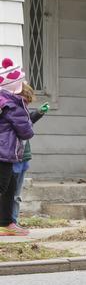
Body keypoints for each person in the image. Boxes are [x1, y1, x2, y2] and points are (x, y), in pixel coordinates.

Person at [0, 59, 35, 236]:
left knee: (10, 188)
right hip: (4, 153)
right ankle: (6, 223)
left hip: (6, 153)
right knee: (3, 188)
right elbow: (26, 132)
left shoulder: (2, 100)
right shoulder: (13, 104)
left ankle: (6, 224)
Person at [11, 82, 48, 227]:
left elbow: (26, 123)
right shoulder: (10, 111)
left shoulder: (21, 110)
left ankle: (14, 221)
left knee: (16, 195)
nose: (26, 103)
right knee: (10, 194)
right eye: (25, 100)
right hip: (13, 157)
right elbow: (23, 128)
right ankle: (9, 221)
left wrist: (38, 113)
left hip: (23, 157)